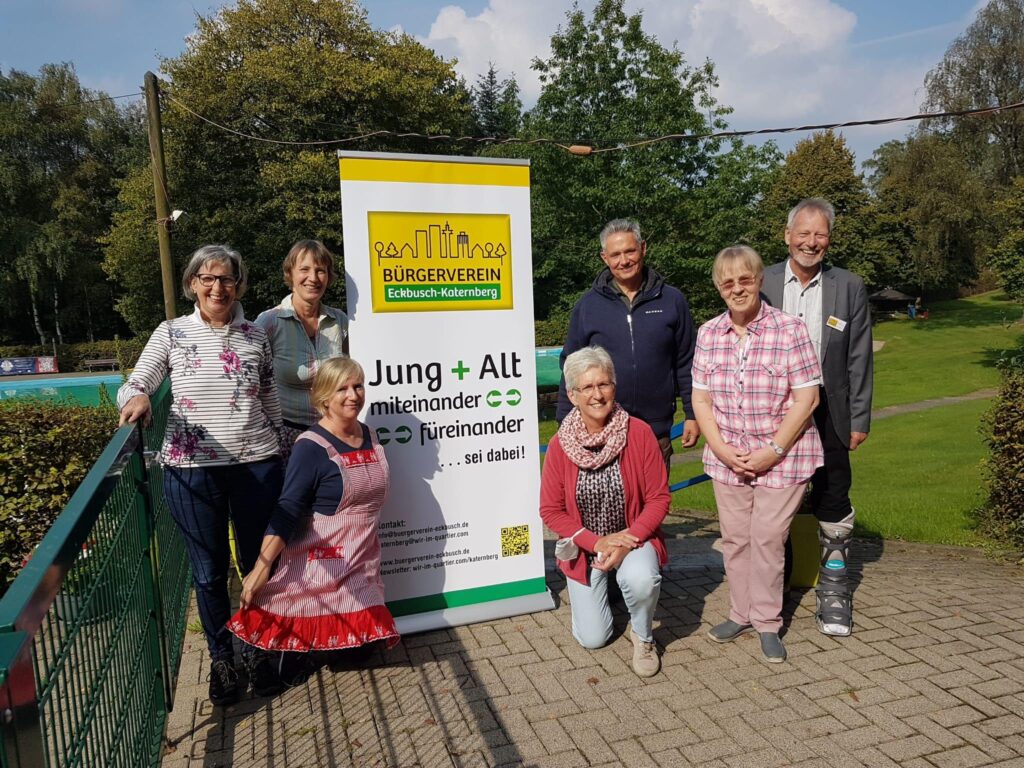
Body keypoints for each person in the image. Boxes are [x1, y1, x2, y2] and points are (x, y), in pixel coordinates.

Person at [117, 244, 284, 706]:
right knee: (209, 573)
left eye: (226, 278)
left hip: (256, 466)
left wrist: (286, 451)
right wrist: (136, 399)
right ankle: (222, 659)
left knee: (257, 565)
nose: (217, 287)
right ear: (193, 284)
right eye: (207, 278)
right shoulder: (171, 332)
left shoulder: (255, 336)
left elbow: (269, 399)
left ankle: (256, 651)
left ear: (238, 286)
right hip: (192, 473)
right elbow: (138, 381)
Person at [692, 246, 824, 663]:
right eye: (727, 282)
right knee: (735, 539)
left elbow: (807, 399)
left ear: (759, 280)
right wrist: (721, 449)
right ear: (719, 288)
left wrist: (773, 450)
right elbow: (701, 400)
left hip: (783, 458)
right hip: (728, 458)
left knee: (767, 538)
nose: (737, 289)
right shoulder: (708, 334)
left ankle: (767, 622)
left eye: (744, 279)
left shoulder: (790, 330)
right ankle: (740, 613)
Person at [226, 356, 399, 669]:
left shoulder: (370, 436)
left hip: (362, 563)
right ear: (324, 397)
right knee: (299, 655)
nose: (353, 395)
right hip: (322, 565)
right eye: (342, 389)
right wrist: (262, 567)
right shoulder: (311, 447)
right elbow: (287, 509)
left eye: (358, 386)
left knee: (358, 653)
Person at [761, 198, 873, 637]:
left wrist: (859, 418)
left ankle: (834, 590)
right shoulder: (763, 280)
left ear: (829, 239)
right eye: (803, 233)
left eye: (820, 234)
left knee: (832, 492)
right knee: (774, 495)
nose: (811, 242)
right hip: (775, 408)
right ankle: (775, 587)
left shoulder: (849, 286)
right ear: (787, 236)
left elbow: (859, 356)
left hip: (830, 410)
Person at [541, 346, 670, 677]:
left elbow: (658, 498)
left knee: (641, 579)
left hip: (633, 539)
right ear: (572, 395)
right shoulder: (559, 445)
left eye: (603, 384)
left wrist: (627, 541)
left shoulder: (639, 433)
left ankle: (643, 636)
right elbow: (550, 510)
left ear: (614, 386)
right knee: (593, 639)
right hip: (587, 547)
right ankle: (599, 595)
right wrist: (596, 542)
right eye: (587, 387)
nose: (597, 395)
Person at [556, 219, 700, 470]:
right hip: (602, 432)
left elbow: (687, 361)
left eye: (630, 251)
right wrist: (562, 422)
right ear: (604, 258)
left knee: (654, 496)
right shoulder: (588, 306)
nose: (624, 260)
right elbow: (571, 368)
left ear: (643, 248)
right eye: (615, 254)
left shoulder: (672, 300)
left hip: (655, 433)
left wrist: (692, 413)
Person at [256, 239, 349, 452]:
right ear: (290, 273)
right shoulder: (269, 322)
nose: (313, 278)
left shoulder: (340, 322)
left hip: (333, 433)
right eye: (304, 269)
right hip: (284, 437)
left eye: (320, 270)